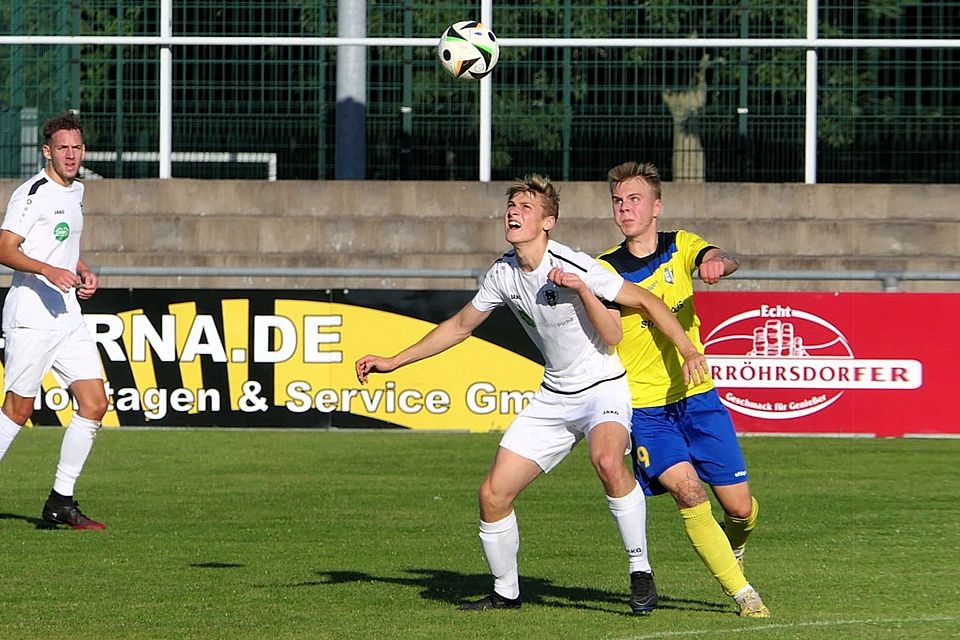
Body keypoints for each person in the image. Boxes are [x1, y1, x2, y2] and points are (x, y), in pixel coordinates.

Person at [356, 174, 709, 614]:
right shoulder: (502, 272)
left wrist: (687, 348)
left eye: (526, 208)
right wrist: (394, 361)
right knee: (492, 495)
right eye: (512, 206)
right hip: (554, 396)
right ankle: (506, 593)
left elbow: (621, 328)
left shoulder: (575, 265)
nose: (514, 213)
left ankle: (640, 572)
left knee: (605, 461)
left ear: (549, 222)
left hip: (602, 389)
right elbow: (460, 327)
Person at [596, 161, 769, 617]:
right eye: (618, 201)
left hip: (699, 399)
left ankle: (734, 546)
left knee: (740, 509)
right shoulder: (605, 269)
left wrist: (717, 263)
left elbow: (723, 257)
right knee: (689, 492)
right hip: (647, 410)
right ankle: (744, 596)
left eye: (634, 199)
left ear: (656, 207)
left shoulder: (680, 245)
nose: (625, 208)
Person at [0, 111, 108, 530]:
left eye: (76, 147)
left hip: (66, 315)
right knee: (18, 410)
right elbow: (6, 249)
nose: (70, 154)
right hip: (31, 315)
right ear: (47, 151)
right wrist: (48, 270)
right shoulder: (33, 192)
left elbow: (61, 243)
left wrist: (80, 268)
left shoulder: (77, 190)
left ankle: (60, 501)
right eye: (62, 147)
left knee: (95, 403)